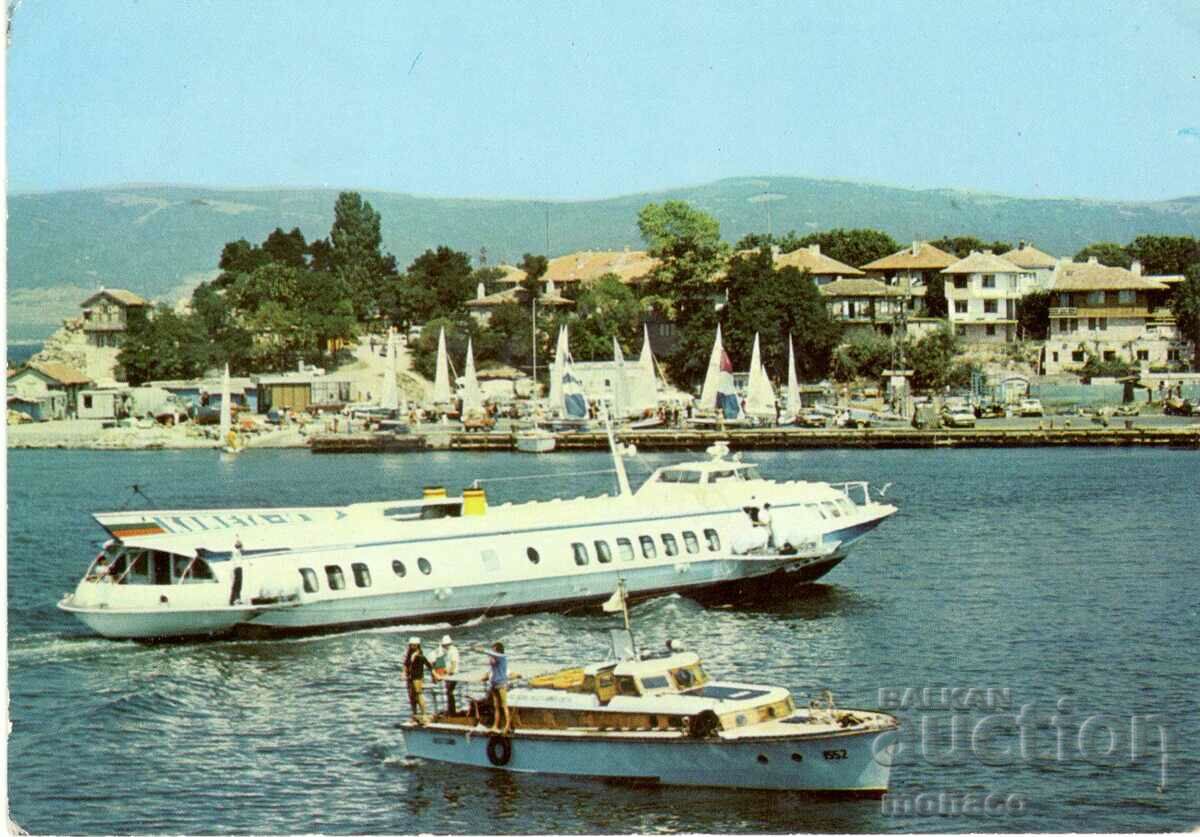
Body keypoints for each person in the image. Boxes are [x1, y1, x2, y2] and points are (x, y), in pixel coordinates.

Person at [475, 641, 511, 734]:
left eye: (494, 651)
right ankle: (495, 725)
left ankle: (507, 726)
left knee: (504, 705)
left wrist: (483, 650)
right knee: (496, 706)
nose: (493, 653)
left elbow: (492, 655)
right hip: (494, 684)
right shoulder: (495, 660)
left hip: (501, 684)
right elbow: (491, 663)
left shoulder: (503, 657)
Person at [404, 637, 430, 721]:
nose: (412, 646)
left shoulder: (419, 655)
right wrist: (404, 673)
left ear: (417, 645)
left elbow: (428, 665)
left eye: (414, 645)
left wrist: (434, 675)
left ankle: (424, 714)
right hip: (410, 677)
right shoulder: (409, 655)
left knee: (419, 695)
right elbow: (405, 665)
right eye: (411, 645)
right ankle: (414, 714)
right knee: (412, 696)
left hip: (417, 677)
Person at [433, 634, 460, 714]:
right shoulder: (447, 650)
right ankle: (451, 710)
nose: (444, 646)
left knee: (449, 692)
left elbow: (453, 664)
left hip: (453, 674)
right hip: (448, 674)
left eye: (445, 645)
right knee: (448, 693)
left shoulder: (453, 651)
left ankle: (452, 711)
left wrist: (447, 674)